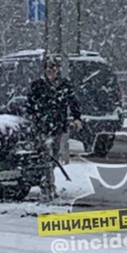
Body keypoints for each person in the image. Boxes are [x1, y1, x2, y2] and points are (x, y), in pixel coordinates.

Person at [26, 53, 83, 198]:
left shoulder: (64, 86)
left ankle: (47, 181)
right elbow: (29, 106)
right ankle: (48, 185)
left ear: (58, 69)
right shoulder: (37, 86)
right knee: (45, 155)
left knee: (54, 155)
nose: (50, 70)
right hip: (41, 127)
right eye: (47, 67)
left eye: (53, 67)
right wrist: (32, 120)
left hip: (57, 127)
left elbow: (73, 103)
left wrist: (76, 119)